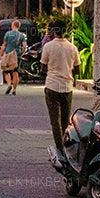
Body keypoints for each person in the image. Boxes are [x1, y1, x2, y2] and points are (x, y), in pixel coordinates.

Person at [40, 22, 80, 153]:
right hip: (67, 87)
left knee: (55, 120)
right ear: (65, 31)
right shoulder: (72, 48)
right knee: (65, 119)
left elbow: (43, 67)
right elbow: (77, 70)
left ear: (54, 31)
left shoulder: (48, 46)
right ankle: (65, 144)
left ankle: (59, 147)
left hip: (52, 86)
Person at [0, 20, 27, 95]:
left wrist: (1, 54)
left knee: (6, 71)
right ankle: (14, 90)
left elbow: (4, 45)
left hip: (8, 54)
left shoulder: (8, 34)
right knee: (15, 72)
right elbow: (24, 46)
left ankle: (9, 84)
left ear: (13, 25)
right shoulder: (21, 35)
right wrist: (21, 53)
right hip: (17, 55)